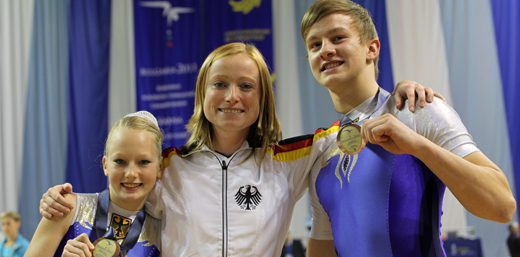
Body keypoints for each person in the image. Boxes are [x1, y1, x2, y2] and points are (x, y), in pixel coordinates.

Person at [38, 42, 438, 256]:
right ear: (202, 94)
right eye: (220, 84)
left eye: (246, 86)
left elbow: (359, 119)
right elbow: (119, 193)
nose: (232, 96)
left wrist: (396, 96)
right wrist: (58, 202)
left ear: (263, 97)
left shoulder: (293, 158)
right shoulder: (166, 166)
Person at [300, 1, 516, 256]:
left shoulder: (418, 110)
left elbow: (502, 207)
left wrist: (418, 146)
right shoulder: (322, 151)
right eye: (315, 45)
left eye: (337, 38)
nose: (325, 50)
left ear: (372, 48)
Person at [25, 111, 163, 257]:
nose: (131, 173)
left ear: (159, 167)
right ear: (105, 165)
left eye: (143, 162)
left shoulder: (162, 232)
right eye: (120, 161)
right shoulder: (66, 208)